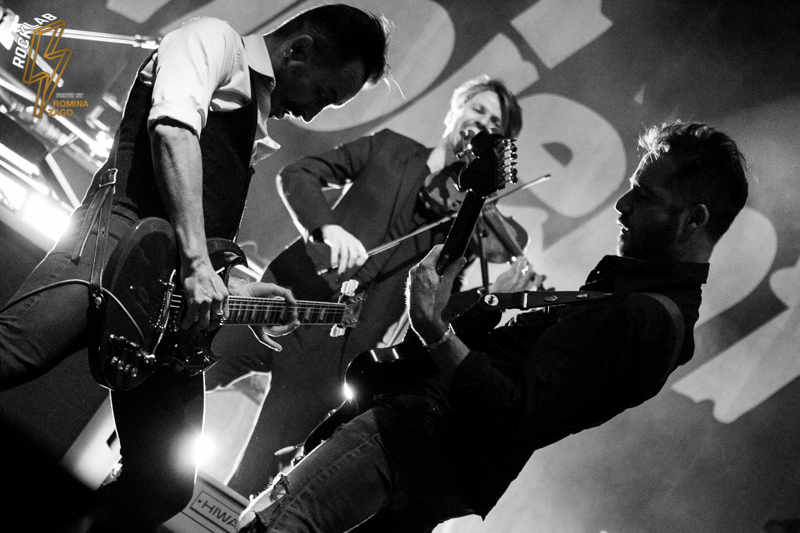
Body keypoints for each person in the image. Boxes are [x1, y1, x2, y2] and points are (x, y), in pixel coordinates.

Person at [236, 120, 749, 533]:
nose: (622, 204)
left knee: (271, 525)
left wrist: (435, 330)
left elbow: (513, 409)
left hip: (409, 443)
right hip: (429, 467)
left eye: (644, 195)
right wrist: (483, 310)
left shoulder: (643, 317)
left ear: (694, 219)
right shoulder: (635, 305)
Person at [0, 4, 389, 532]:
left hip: (164, 304)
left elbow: (198, 224)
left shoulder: (252, 113)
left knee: (163, 483)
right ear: (299, 50)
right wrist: (200, 264)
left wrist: (239, 288)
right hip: (112, 247)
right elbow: (172, 131)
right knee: (10, 356)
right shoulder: (214, 40)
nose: (313, 113)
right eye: (323, 93)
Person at [204, 75, 540, 495]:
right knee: (190, 372)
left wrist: (496, 295)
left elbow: (440, 304)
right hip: (286, 293)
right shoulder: (390, 147)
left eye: (494, 124)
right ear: (455, 110)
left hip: (338, 350)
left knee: (258, 470)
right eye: (478, 110)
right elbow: (299, 173)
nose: (481, 124)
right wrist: (326, 228)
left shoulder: (465, 220)